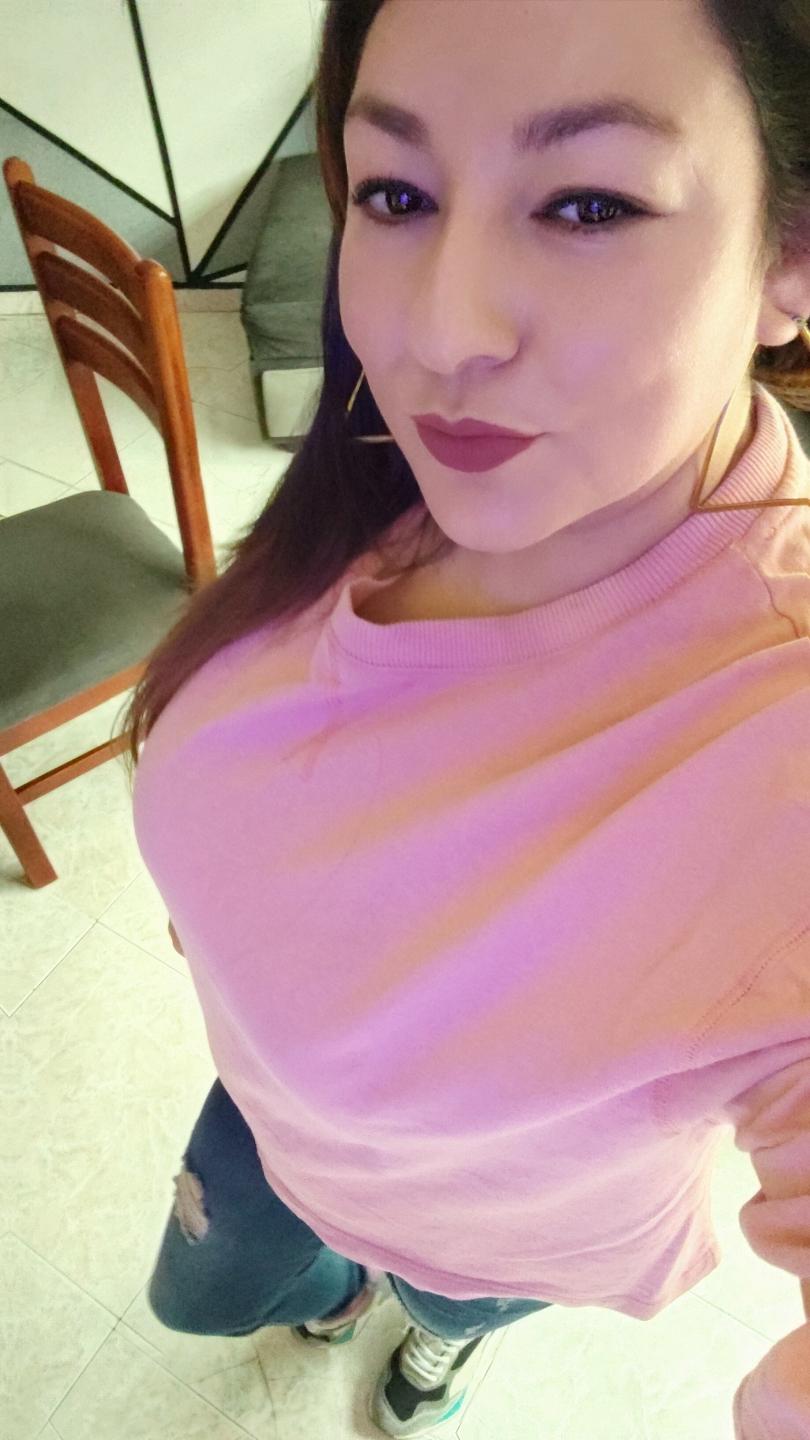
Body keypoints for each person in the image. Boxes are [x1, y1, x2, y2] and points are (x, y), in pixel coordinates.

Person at [122, 2, 810, 1437]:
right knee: (198, 1299)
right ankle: (332, 1295)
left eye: (587, 203)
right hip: (265, 1118)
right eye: (396, 194)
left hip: (498, 1236)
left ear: (789, 254)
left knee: (446, 1304)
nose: (436, 330)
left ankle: (435, 1348)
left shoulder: (776, 738)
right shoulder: (384, 486)